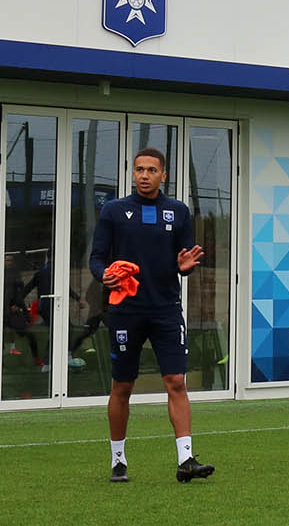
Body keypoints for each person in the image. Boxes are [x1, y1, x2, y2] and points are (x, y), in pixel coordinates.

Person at [90, 146, 211, 484]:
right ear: (132, 173)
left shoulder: (178, 211)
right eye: (139, 169)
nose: (144, 175)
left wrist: (184, 267)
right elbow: (96, 258)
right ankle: (118, 460)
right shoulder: (114, 211)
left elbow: (183, 259)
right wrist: (104, 275)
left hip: (166, 310)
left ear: (164, 175)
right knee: (122, 386)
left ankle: (186, 459)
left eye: (151, 170)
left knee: (176, 381)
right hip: (126, 311)